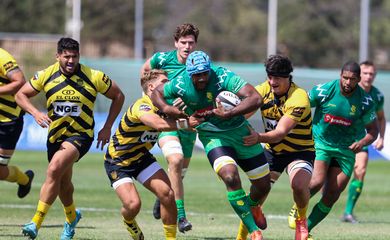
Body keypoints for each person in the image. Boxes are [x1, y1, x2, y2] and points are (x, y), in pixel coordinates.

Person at [151, 51, 271, 240]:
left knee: (263, 186)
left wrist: (229, 114)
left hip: (241, 132)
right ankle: (254, 231)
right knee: (230, 177)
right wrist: (168, 110)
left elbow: (255, 98)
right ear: (189, 73)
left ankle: (253, 206)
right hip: (212, 136)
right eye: (197, 75)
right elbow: (156, 92)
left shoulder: (223, 76)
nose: (202, 78)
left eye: (205, 73)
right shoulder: (180, 83)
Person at [15, 37, 124, 240]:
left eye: (74, 56)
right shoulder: (46, 74)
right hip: (55, 135)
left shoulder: (94, 76)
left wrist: (107, 126)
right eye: (66, 57)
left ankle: (35, 223)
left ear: (79, 56)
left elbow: (118, 96)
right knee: (64, 183)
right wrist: (35, 113)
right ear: (58, 56)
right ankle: (71, 217)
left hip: (81, 136)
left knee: (54, 168)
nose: (71, 61)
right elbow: (20, 95)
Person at [104, 69, 202, 240]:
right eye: (164, 83)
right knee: (133, 205)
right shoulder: (141, 105)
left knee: (168, 194)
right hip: (119, 161)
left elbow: (186, 118)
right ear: (151, 87)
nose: (168, 86)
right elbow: (157, 123)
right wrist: (184, 123)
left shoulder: (166, 105)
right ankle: (129, 222)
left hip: (141, 157)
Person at [288, 61, 378, 239]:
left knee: (332, 194)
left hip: (347, 149)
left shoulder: (366, 101)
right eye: (345, 78)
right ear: (340, 75)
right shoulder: (324, 90)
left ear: (358, 79)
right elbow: (301, 105)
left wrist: (363, 142)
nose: (347, 82)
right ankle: (297, 209)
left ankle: (305, 230)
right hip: (321, 143)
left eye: (352, 79)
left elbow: (373, 130)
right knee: (317, 181)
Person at [240, 55, 314, 240]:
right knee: (255, 195)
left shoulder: (299, 97)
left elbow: (281, 132)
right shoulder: (262, 90)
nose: (272, 82)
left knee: (298, 185)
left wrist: (257, 137)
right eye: (269, 76)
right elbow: (245, 113)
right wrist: (229, 113)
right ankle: (242, 235)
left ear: (288, 77)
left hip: (300, 152)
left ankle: (301, 220)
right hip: (272, 151)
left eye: (277, 78)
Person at [141, 23, 199, 232]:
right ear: (176, 43)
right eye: (183, 42)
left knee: (180, 171)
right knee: (174, 160)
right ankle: (181, 216)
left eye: (191, 43)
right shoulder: (162, 59)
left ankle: (164, 195)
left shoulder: (200, 65)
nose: (187, 47)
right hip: (167, 122)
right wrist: (155, 101)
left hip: (189, 125)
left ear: (195, 44)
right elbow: (145, 72)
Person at [342, 60, 386, 223]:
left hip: (361, 139)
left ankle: (348, 212)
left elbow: (380, 118)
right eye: (365, 73)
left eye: (372, 74)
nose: (369, 77)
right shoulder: (347, 90)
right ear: (359, 75)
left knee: (360, 171)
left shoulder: (377, 96)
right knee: (326, 178)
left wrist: (381, 138)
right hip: (337, 138)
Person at [0, 48, 34, 198]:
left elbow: (20, 82)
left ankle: (24, 179)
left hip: (8, 122)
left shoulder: (2, 57)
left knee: (0, 172)